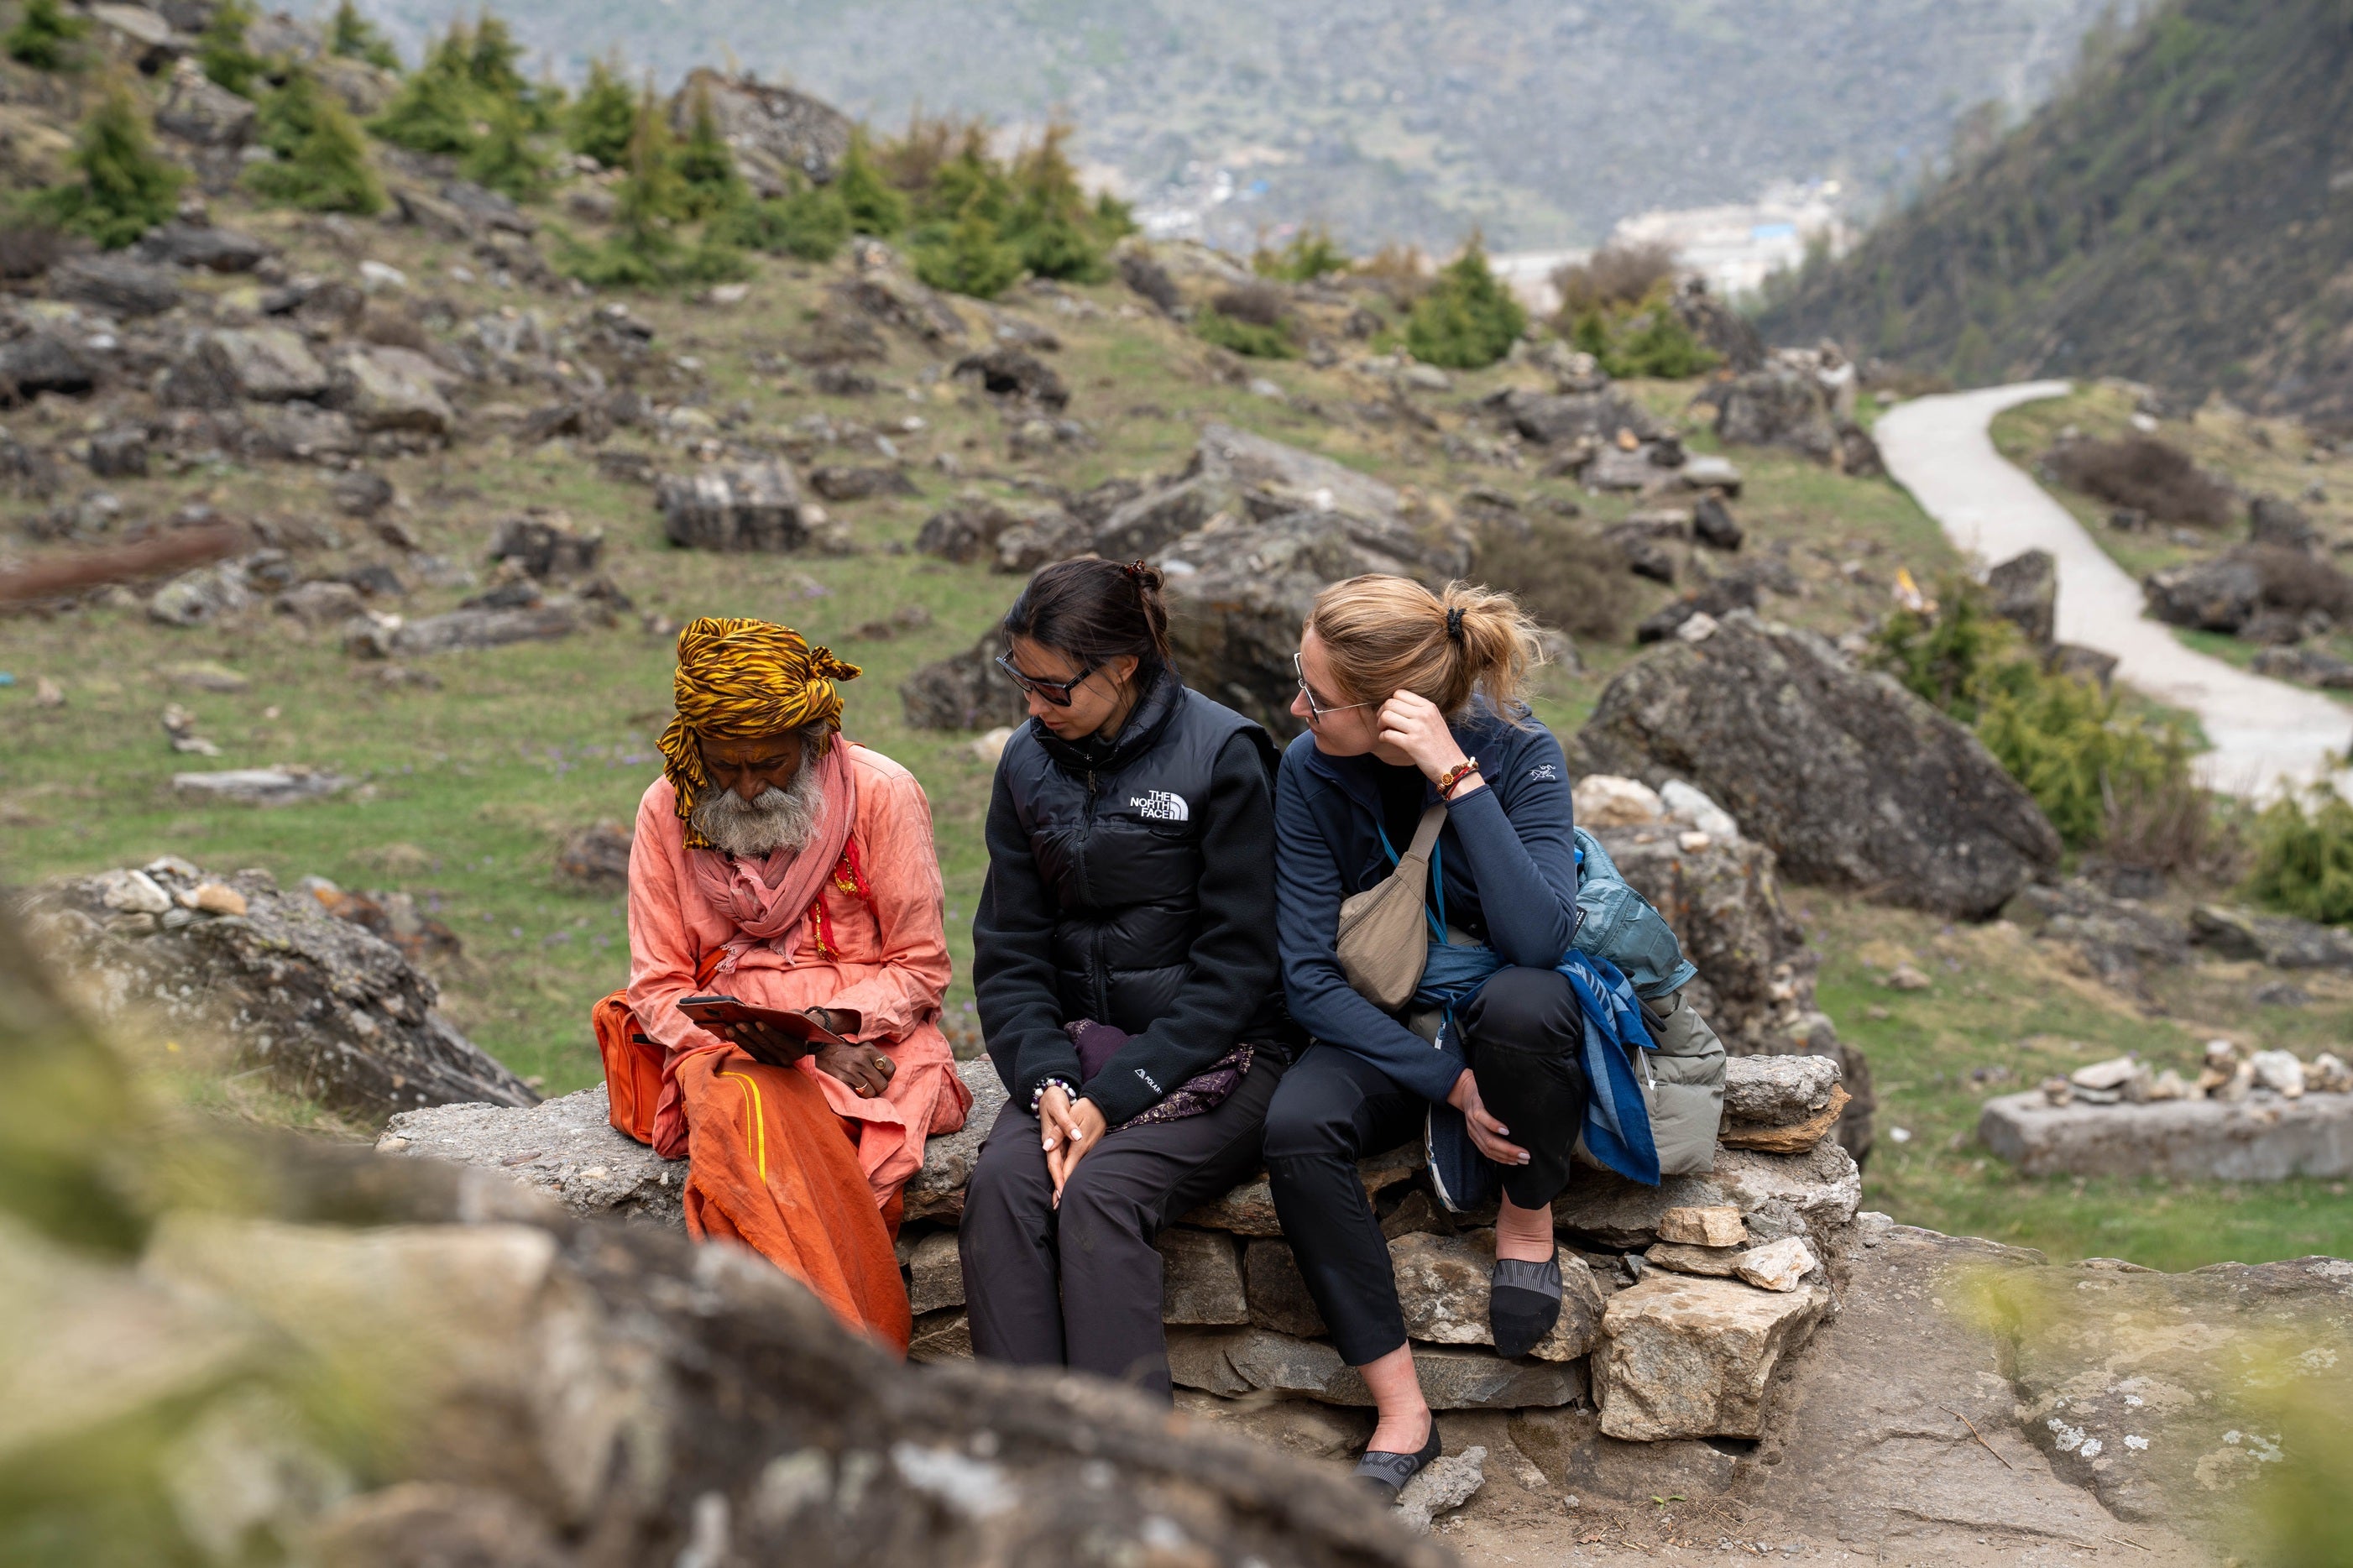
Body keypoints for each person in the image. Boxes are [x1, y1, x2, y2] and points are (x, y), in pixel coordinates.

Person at [1266, 574, 1614, 1492]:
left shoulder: (1522, 753)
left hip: (1505, 1021)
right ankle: (1402, 1412)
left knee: (1530, 1000)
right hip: (1386, 1023)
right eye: (1300, 678)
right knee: (1296, 1126)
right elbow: (1308, 979)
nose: (1296, 708)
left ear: (1393, 711)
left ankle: (1525, 1214)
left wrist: (1456, 776)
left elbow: (1539, 940)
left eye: (1316, 696)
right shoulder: (1309, 767)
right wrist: (1448, 1085)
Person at [960, 557, 1298, 1397]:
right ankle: (1021, 1448)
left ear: (1120, 666)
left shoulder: (1224, 754)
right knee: (1000, 1186)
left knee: (1100, 1194)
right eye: (1020, 680)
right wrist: (1045, 1079)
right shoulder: (1024, 763)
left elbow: (1239, 967)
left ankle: (1127, 1463)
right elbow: (1009, 949)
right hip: (1078, 1053)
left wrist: (1115, 1096)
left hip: (1223, 1054)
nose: (1032, 707)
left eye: (1052, 688)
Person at [612, 616, 971, 1355]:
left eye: (770, 764)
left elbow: (919, 968)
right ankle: (843, 1348)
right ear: (695, 750)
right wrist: (767, 1045)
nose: (746, 788)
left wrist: (820, 1032)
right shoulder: (665, 807)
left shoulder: (882, 793)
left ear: (812, 742)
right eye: (725, 766)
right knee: (743, 1105)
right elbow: (658, 984)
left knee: (766, 1133)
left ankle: (798, 1355)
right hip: (723, 1043)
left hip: (869, 1037)